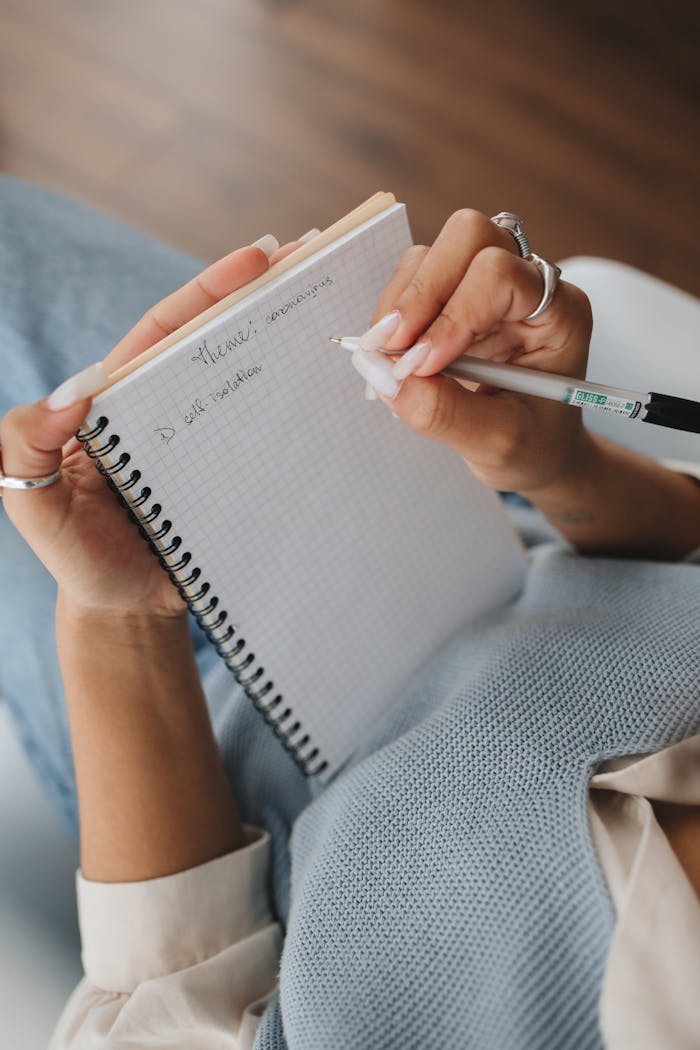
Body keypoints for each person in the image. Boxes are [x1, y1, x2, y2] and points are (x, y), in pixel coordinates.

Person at [1, 175, 699, 1049]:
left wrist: (124, 618)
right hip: (476, 543)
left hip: (183, 780)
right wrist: (554, 464)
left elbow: (162, 1017)